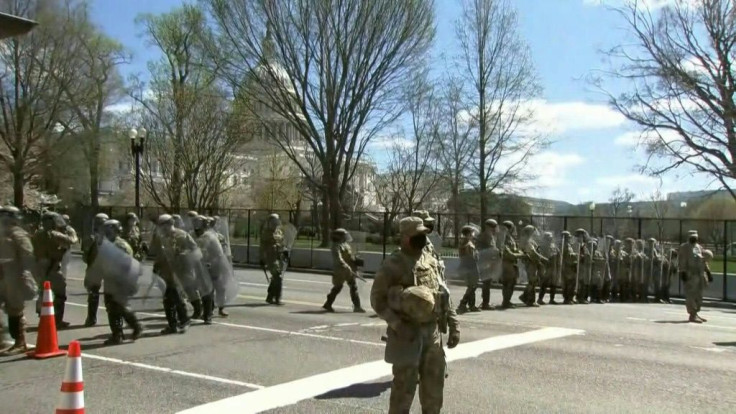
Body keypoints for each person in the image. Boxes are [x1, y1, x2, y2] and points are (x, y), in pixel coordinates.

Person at [370, 216, 460, 413]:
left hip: (433, 335)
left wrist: (454, 325)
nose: (422, 238)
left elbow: (444, 294)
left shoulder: (430, 261)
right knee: (403, 392)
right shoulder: (393, 264)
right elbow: (377, 300)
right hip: (407, 336)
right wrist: (397, 324)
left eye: (423, 234)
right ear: (404, 237)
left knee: (434, 392)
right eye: (416, 235)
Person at [97, 220, 143, 345]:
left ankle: (135, 327)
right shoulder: (106, 244)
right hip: (110, 279)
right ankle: (118, 334)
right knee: (112, 308)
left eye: (109, 229)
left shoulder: (120, 245)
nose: (106, 232)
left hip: (120, 281)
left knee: (120, 307)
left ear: (116, 230)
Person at [0, 207, 37, 355]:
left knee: (15, 309)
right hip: (2, 275)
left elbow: (27, 256)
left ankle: (20, 342)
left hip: (14, 275)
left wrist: (23, 273)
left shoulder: (18, 234)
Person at [150, 214, 192, 334]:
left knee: (177, 297)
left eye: (163, 225)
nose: (161, 228)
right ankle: (172, 324)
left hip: (178, 272)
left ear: (170, 223)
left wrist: (182, 255)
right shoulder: (159, 237)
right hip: (164, 272)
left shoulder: (182, 235)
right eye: (160, 225)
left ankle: (184, 320)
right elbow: (155, 252)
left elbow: (194, 251)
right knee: (167, 300)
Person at [33, 212, 76, 328]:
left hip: (40, 267)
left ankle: (42, 317)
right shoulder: (55, 234)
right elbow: (72, 240)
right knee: (60, 294)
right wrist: (70, 230)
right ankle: (57, 320)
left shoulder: (38, 234)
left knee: (43, 293)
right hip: (53, 268)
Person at [323, 228, 365, 313]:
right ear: (339, 237)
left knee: (353, 286)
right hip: (341, 270)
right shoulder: (336, 246)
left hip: (349, 269)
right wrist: (344, 265)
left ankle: (357, 306)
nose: (345, 237)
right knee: (338, 287)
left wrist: (355, 260)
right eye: (343, 236)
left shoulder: (345, 245)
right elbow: (338, 258)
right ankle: (328, 304)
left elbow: (349, 256)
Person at [82, 213, 108, 326]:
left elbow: (85, 256)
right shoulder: (93, 238)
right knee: (94, 294)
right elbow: (86, 256)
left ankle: (92, 318)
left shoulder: (93, 238)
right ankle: (91, 317)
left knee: (96, 294)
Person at [679, 231, 709, 323]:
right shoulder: (685, 247)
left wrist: (708, 271)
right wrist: (683, 272)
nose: (694, 238)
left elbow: (704, 260)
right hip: (690, 274)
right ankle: (692, 314)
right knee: (691, 294)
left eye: (695, 237)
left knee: (699, 295)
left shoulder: (699, 247)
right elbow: (682, 260)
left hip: (699, 274)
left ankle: (696, 313)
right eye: (692, 237)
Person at [518, 225, 547, 307]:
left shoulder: (529, 240)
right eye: (532, 231)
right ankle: (530, 300)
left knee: (533, 281)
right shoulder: (527, 241)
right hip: (531, 263)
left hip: (533, 263)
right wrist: (543, 259)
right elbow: (533, 253)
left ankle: (525, 296)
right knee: (532, 281)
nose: (534, 233)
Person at [261, 214, 286, 305]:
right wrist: (262, 259)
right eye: (273, 221)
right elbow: (262, 247)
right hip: (270, 257)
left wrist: (284, 250)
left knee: (276, 277)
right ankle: (277, 298)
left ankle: (270, 297)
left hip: (278, 257)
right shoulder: (266, 233)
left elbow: (282, 243)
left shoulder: (278, 232)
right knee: (278, 277)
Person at [500, 221, 525, 309]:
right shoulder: (504, 238)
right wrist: (520, 255)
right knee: (508, 283)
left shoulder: (509, 237)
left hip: (512, 263)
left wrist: (519, 252)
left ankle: (507, 301)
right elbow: (508, 253)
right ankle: (505, 302)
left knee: (511, 283)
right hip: (507, 263)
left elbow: (514, 249)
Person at [456, 225, 481, 313]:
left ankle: (472, 305)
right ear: (469, 233)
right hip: (471, 267)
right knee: (472, 286)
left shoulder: (465, 242)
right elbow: (472, 257)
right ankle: (463, 303)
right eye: (472, 232)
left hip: (467, 266)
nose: (474, 234)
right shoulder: (468, 244)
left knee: (472, 286)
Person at [476, 219, 500, 310]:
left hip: (489, 262)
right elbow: (480, 249)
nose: (494, 229)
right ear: (487, 227)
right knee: (486, 283)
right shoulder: (484, 236)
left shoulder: (491, 236)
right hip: (485, 263)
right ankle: (485, 303)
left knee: (487, 283)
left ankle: (485, 302)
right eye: (492, 227)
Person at [538, 232, 560, 305]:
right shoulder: (542, 246)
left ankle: (552, 299)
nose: (550, 239)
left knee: (553, 284)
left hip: (553, 266)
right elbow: (540, 256)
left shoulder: (553, 245)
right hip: (546, 266)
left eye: (550, 237)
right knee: (544, 284)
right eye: (548, 237)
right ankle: (540, 299)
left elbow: (557, 252)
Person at [560, 231, 578, 304]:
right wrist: (574, 255)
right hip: (567, 266)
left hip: (571, 266)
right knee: (568, 283)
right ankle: (567, 298)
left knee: (572, 283)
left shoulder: (568, 245)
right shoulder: (563, 245)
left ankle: (570, 297)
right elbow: (567, 256)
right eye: (568, 237)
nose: (569, 238)